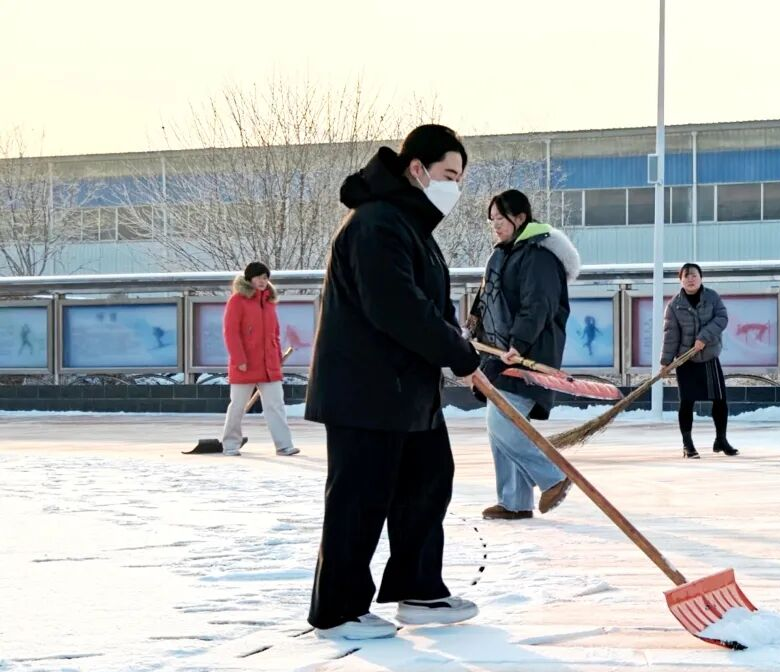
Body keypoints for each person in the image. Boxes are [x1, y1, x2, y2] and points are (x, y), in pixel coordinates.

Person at [305, 125, 481, 640]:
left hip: (407, 391)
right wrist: (458, 356)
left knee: (428, 483)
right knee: (360, 498)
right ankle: (338, 610)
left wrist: (462, 348)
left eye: (460, 178)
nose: (455, 187)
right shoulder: (376, 223)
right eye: (449, 174)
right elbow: (398, 308)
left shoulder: (411, 225)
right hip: (366, 390)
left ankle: (419, 590)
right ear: (417, 168)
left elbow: (433, 307)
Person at [468, 189, 581, 520]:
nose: (495, 225)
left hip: (528, 353)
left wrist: (518, 343)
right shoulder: (505, 254)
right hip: (500, 353)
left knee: (502, 423)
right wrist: (471, 330)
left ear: (520, 218)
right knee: (503, 424)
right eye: (491, 220)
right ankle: (514, 501)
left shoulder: (539, 255)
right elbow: (486, 300)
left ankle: (553, 476)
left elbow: (538, 305)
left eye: (500, 219)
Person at [221, 262, 299, 458]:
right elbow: (231, 332)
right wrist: (239, 359)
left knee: (276, 405)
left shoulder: (269, 302)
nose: (263, 281)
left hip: (269, 365)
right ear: (249, 278)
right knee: (237, 405)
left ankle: (284, 445)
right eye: (259, 277)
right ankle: (230, 444)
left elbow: (275, 333)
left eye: (265, 278)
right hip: (245, 363)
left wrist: (276, 356)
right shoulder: (237, 300)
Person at [660, 263, 738, 459]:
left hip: (709, 355)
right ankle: (688, 444)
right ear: (680, 280)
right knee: (687, 402)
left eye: (694, 275)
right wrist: (665, 362)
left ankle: (721, 439)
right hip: (685, 359)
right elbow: (670, 335)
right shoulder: (674, 305)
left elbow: (722, 318)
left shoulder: (712, 297)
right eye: (686, 276)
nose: (690, 279)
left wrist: (704, 337)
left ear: (701, 278)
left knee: (720, 400)